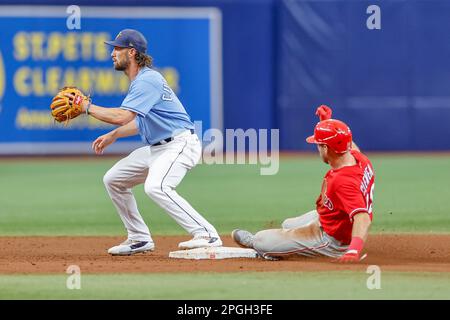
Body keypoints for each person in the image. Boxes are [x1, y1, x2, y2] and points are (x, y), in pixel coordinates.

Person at [67, 29, 222, 255]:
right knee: (114, 179)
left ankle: (207, 234)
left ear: (131, 53)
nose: (112, 53)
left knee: (156, 186)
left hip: (179, 144)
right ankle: (139, 238)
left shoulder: (147, 80)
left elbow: (122, 116)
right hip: (158, 148)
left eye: (117, 48)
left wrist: (86, 108)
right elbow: (140, 122)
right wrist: (114, 135)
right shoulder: (142, 81)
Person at [232, 105, 374, 263]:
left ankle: (271, 249)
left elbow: (362, 217)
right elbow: (345, 143)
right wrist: (327, 123)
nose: (317, 149)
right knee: (287, 224)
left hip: (332, 240)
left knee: (260, 240)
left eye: (319, 145)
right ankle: (286, 245)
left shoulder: (343, 181)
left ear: (326, 148)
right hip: (330, 219)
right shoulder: (359, 159)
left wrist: (353, 250)